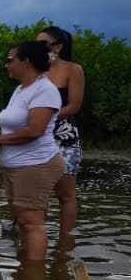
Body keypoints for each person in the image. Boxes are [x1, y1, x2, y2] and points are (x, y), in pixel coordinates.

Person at [0, 40, 64, 261]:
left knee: (32, 223)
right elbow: (15, 125)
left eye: (10, 60)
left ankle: (33, 277)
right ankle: (24, 269)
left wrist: (0, 138)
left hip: (35, 164)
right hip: (16, 165)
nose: (6, 65)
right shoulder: (21, 89)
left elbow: (35, 130)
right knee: (22, 221)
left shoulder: (45, 90)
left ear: (26, 62)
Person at [37, 26, 84, 236]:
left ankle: (65, 242)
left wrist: (48, 118)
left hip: (64, 136)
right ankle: (37, 236)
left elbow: (74, 105)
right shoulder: (37, 70)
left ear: (58, 46)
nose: (37, 48)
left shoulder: (73, 69)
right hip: (38, 134)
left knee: (65, 194)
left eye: (42, 43)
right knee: (39, 192)